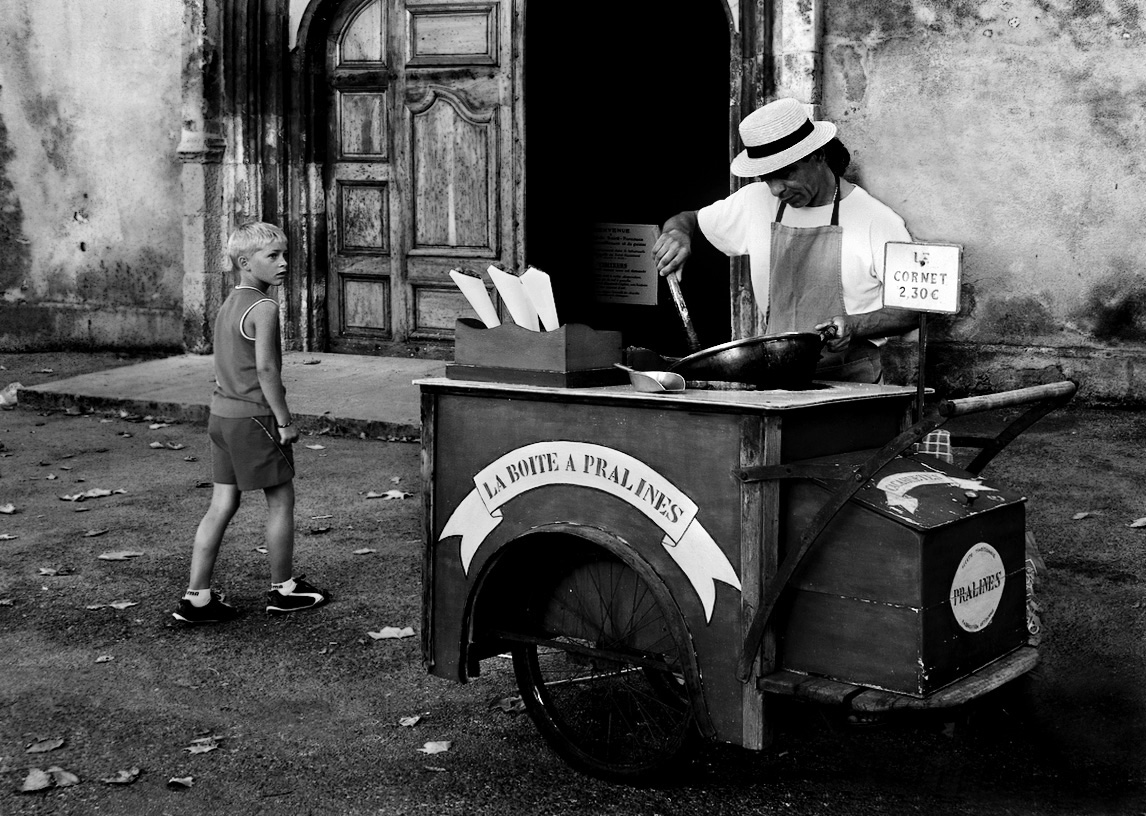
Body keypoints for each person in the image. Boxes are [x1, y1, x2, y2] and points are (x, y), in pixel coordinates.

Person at [654, 97, 918, 383]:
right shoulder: (755, 201)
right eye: (767, 178)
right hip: (778, 380)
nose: (776, 188)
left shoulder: (875, 220)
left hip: (848, 383)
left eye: (786, 173)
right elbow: (688, 218)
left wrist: (854, 325)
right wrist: (677, 233)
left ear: (818, 155)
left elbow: (911, 312)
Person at [173, 222, 328, 624]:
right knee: (281, 500)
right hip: (254, 419)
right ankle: (284, 590)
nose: (283, 264)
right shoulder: (264, 308)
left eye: (284, 255)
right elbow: (267, 370)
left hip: (221, 417)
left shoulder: (229, 304)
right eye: (272, 257)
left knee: (221, 504)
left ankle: (198, 596)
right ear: (245, 262)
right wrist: (285, 420)